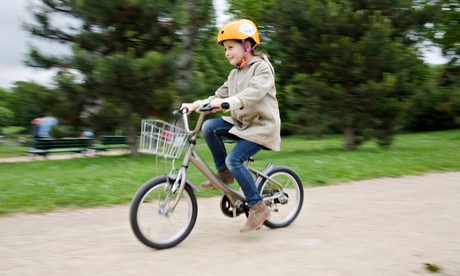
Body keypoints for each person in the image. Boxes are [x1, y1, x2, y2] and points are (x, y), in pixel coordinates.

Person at [181, 19, 281, 233]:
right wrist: (196, 105)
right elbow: (218, 96)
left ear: (247, 45)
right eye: (225, 49)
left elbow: (254, 92)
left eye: (231, 47)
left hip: (262, 127)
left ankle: (258, 207)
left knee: (234, 159)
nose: (227, 52)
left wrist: (229, 103)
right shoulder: (235, 73)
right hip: (243, 125)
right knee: (210, 127)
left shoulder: (262, 68)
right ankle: (224, 173)